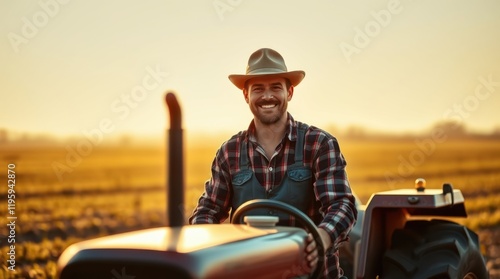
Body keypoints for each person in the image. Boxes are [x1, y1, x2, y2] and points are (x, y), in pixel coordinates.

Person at [189, 48, 357, 279]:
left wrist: (322, 237)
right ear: (246, 96)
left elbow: (341, 204)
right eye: (258, 89)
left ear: (289, 92)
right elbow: (207, 211)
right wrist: (210, 243)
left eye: (276, 87)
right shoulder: (229, 152)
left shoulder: (319, 144)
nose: (267, 96)